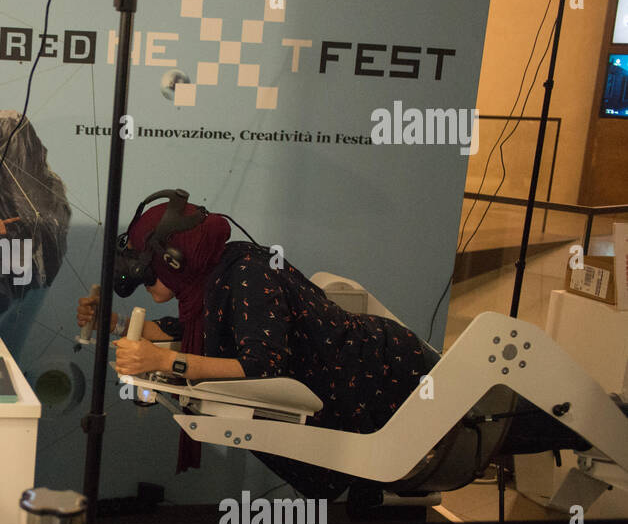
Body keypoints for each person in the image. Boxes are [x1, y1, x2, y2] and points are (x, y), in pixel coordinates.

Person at [78, 196, 435, 498]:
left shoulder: (247, 274)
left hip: (393, 380)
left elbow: (261, 366)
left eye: (148, 273)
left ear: (173, 259)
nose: (146, 284)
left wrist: (168, 362)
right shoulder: (215, 275)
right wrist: (117, 325)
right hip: (364, 379)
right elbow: (196, 328)